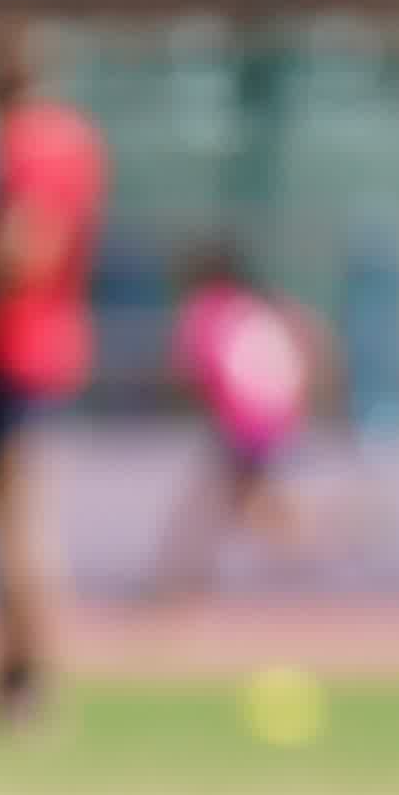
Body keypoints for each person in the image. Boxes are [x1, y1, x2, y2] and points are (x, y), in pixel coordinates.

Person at [0, 20, 107, 729]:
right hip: (48, 346)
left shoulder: (25, 141)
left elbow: (27, 244)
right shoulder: (77, 138)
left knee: (16, 523)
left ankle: (30, 681)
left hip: (14, 347)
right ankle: (12, 670)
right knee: (18, 520)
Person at [142, 232, 358, 604]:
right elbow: (314, 341)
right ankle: (335, 524)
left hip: (244, 423)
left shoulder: (207, 310)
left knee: (220, 507)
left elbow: (188, 369)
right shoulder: (261, 307)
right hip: (277, 419)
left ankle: (178, 586)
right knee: (246, 508)